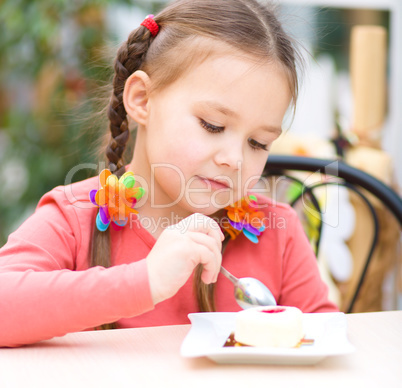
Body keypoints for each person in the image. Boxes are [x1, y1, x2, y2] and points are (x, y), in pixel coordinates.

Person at [0, 0, 338, 347]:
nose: (235, 160)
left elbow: (325, 340)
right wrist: (145, 280)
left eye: (258, 142)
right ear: (143, 99)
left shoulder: (277, 233)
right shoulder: (75, 218)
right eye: (213, 125)